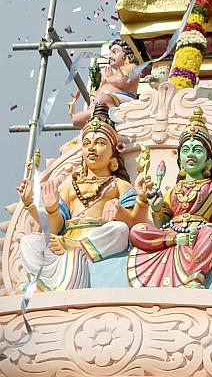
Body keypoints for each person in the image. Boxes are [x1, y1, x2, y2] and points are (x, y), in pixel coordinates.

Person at [18, 104, 142, 291]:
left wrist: (119, 211)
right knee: (29, 242)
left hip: (98, 238)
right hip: (65, 237)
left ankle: (75, 248)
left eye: (100, 143)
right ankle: (42, 284)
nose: (92, 148)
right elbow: (54, 228)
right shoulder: (69, 186)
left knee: (119, 229)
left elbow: (135, 223)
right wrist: (40, 207)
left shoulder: (120, 185)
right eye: (87, 143)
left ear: (113, 157)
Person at [128, 108, 212, 288]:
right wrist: (157, 208)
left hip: (198, 237)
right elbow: (162, 225)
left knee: (210, 234)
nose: (190, 154)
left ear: (208, 161)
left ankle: (195, 278)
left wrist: (208, 226)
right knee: (137, 230)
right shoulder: (173, 190)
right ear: (180, 161)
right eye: (186, 150)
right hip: (172, 237)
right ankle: (177, 243)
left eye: (197, 150)